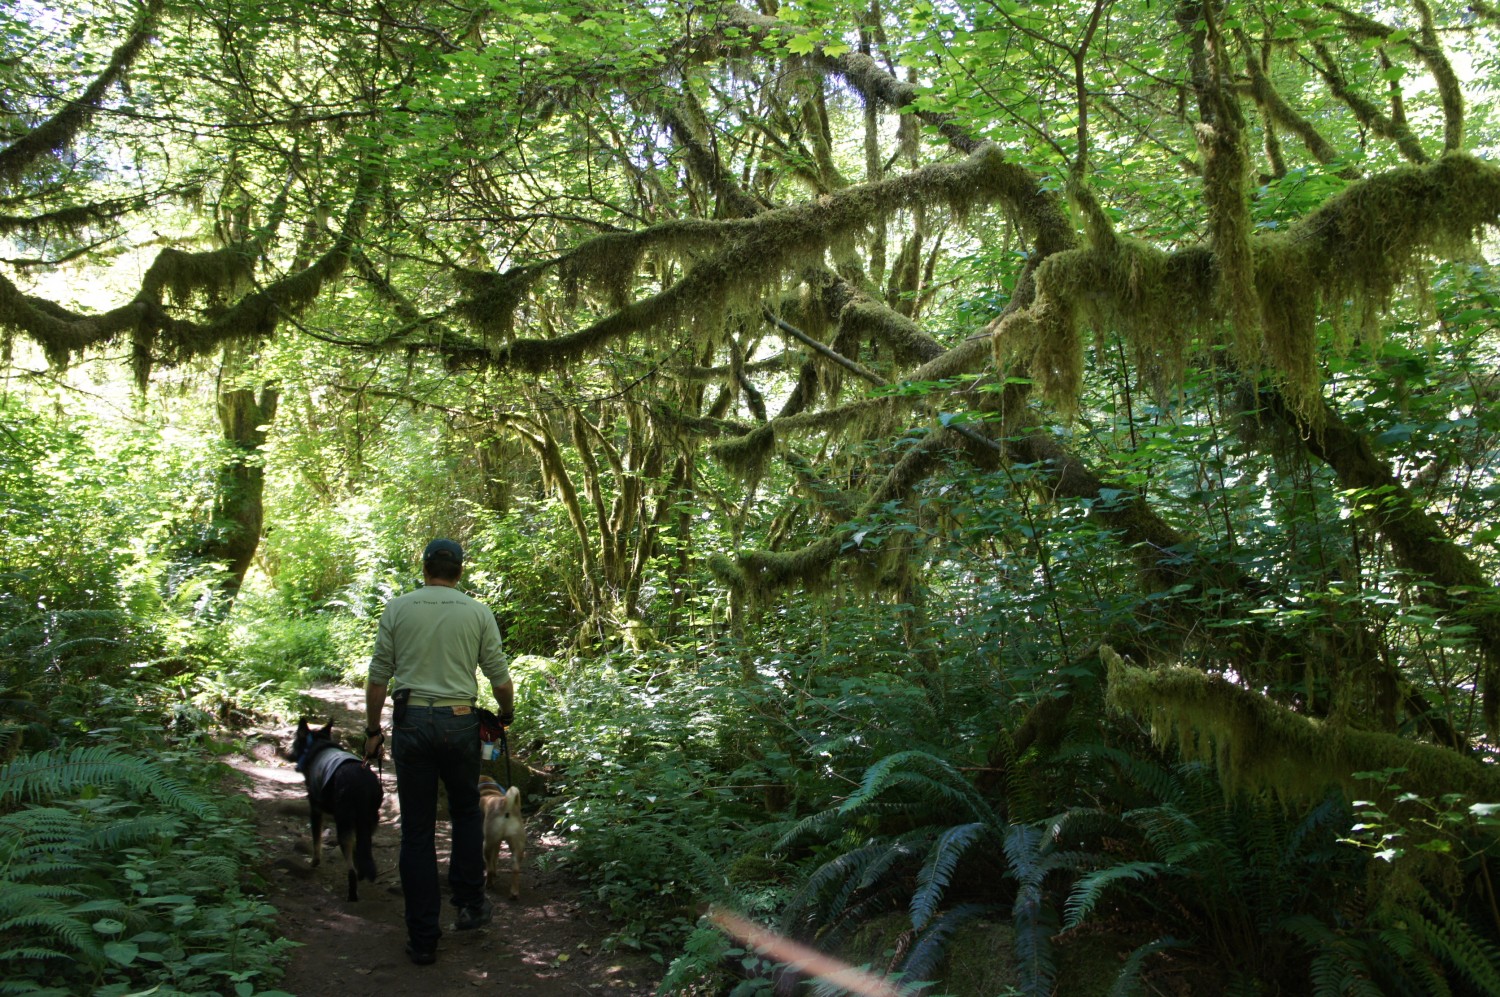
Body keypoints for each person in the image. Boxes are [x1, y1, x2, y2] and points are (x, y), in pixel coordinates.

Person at [363, 538, 515, 966]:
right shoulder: (477, 611)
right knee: (466, 811)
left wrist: (373, 730)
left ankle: (424, 937)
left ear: (424, 566)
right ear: (460, 572)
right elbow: (499, 678)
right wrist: (506, 712)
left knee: (416, 830)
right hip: (460, 722)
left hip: (411, 722)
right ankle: (469, 904)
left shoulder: (397, 608)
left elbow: (378, 678)